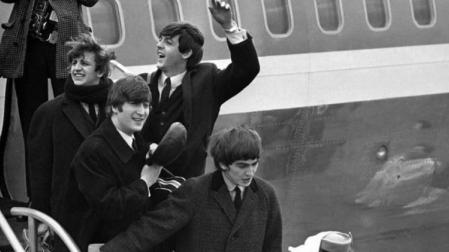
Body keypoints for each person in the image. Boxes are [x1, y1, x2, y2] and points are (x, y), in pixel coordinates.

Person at [98, 126, 282, 252]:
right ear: (223, 164)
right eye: (242, 166)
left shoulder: (266, 195)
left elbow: (272, 246)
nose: (250, 172)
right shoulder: (196, 191)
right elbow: (152, 228)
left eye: (254, 164)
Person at [140, 0, 260, 179]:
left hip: (187, 186)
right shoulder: (142, 83)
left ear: (186, 53)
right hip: (144, 183)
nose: (159, 45)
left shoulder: (207, 80)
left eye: (168, 42)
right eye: (160, 40)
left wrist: (229, 26)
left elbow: (247, 69)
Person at [61, 75, 181, 251]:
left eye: (146, 105)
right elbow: (109, 207)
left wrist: (152, 150)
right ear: (115, 107)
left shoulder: (133, 138)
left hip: (129, 237)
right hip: (100, 241)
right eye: (135, 104)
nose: (142, 112)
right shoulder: (93, 151)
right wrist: (144, 182)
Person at [27, 33, 113, 224]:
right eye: (74, 63)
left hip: (110, 210)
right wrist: (43, 218)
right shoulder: (49, 112)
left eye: (84, 64)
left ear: (100, 71)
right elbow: (40, 173)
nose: (76, 68)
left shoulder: (118, 107)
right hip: (68, 215)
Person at [0, 0, 98, 138]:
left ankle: (71, 157)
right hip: (27, 45)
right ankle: (35, 158)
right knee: (32, 120)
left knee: (72, 116)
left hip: (68, 45)